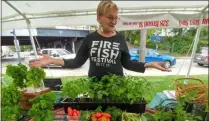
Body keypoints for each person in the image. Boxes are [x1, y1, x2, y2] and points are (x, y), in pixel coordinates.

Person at [29, 1, 171, 79]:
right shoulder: (90, 38)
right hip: (95, 86)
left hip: (116, 87)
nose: (114, 21)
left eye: (116, 18)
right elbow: (77, 62)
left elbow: (127, 63)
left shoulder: (120, 38)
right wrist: (52, 60)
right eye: (110, 17)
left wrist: (148, 64)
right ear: (99, 18)